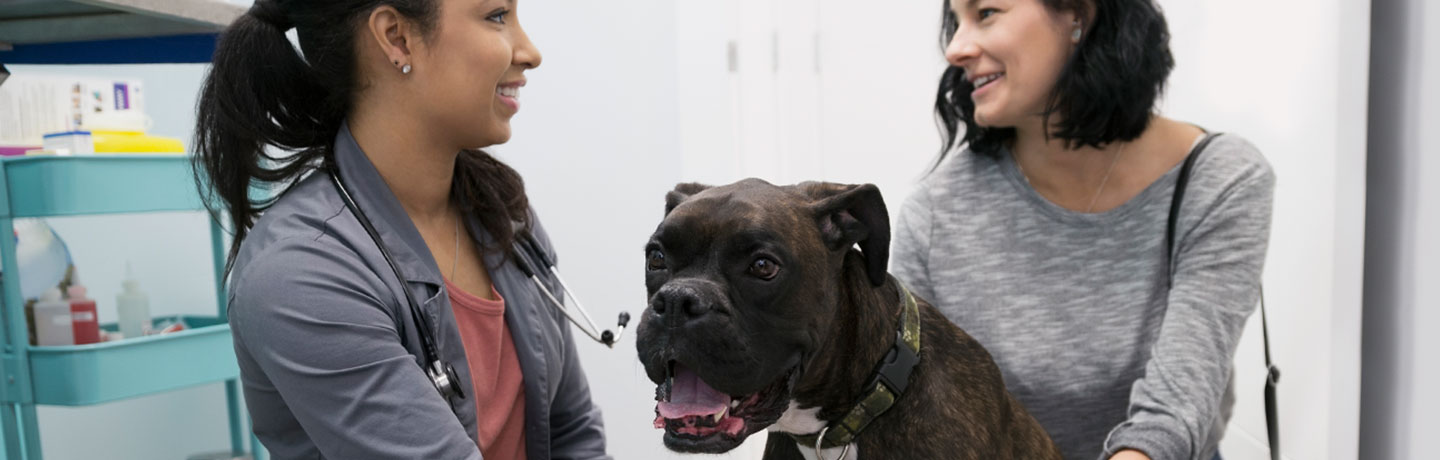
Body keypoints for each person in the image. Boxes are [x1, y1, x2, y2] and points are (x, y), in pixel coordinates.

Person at [192, 0, 609, 458]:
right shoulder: (299, 275)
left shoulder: (501, 210)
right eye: (496, 16)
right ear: (396, 38)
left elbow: (573, 435)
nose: (530, 51)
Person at [890, 0, 1274, 459]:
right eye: (955, 22)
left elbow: (1173, 414)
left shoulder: (1220, 180)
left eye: (987, 12)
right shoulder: (934, 216)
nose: (955, 48)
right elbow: (913, 419)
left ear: (1079, 14)